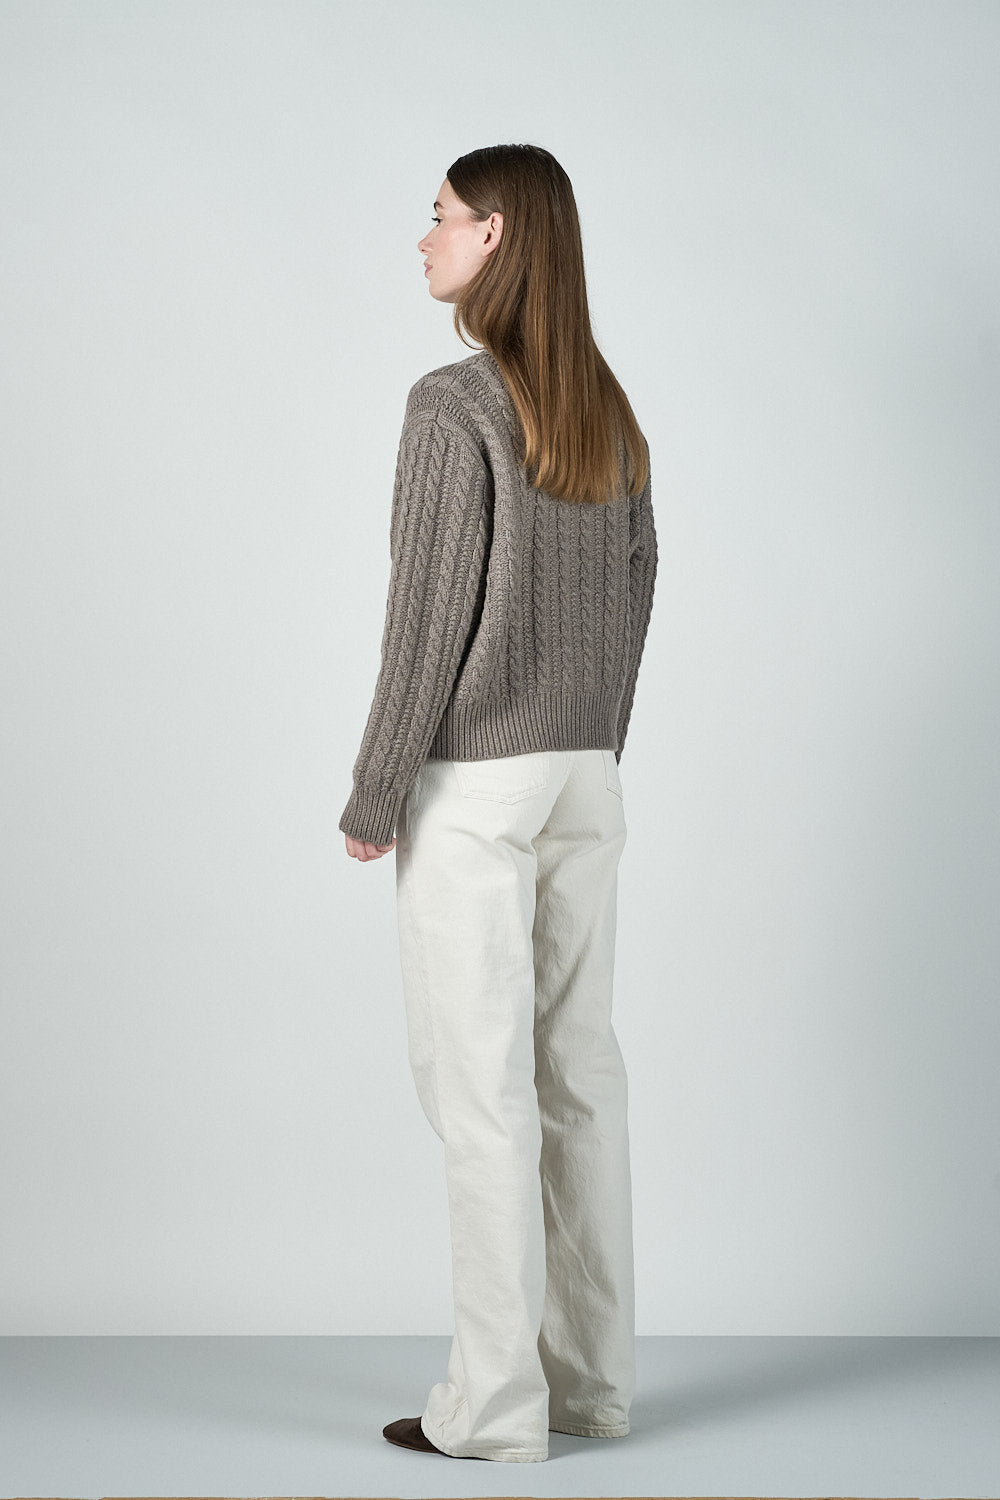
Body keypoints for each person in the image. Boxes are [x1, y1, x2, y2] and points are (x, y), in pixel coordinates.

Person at [338, 143, 658, 1463]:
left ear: (498, 238)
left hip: (476, 783)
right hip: (585, 774)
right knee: (579, 1075)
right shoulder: (607, 411)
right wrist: (595, 748)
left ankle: (494, 1410)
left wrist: (376, 789)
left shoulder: (452, 404)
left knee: (481, 1091)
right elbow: (637, 592)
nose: (425, 239)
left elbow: (425, 622)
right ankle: (593, 1388)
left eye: (442, 217)